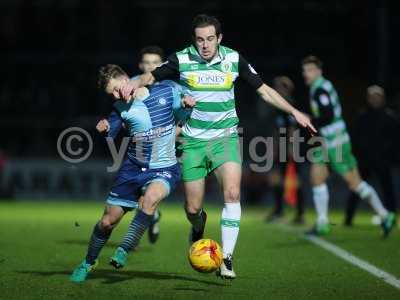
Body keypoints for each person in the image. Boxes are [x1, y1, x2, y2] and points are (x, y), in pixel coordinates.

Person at [119, 14, 316, 279]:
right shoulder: (182, 59)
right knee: (192, 209)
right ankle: (198, 227)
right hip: (193, 142)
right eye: (200, 40)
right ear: (194, 41)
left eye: (210, 39)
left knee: (233, 193)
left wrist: (294, 111)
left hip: (226, 139)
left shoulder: (233, 59)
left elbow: (264, 89)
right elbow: (151, 77)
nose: (205, 45)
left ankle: (227, 258)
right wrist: (130, 83)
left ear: (219, 39)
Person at [70, 64, 194, 282]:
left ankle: (124, 250)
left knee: (151, 199)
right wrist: (105, 127)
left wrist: (187, 106)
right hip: (132, 170)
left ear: (128, 79)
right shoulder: (120, 107)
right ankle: (89, 262)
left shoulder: (166, 90)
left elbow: (183, 113)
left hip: (164, 167)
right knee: (108, 222)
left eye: (118, 89)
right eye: (112, 94)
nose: (117, 95)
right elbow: (111, 129)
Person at [301, 56, 396, 237]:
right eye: (305, 70)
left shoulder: (320, 89)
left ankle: (385, 216)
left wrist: (310, 120)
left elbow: (327, 115)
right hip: (328, 141)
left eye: (310, 70)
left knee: (355, 184)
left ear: (319, 71)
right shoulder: (320, 86)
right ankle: (322, 223)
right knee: (316, 178)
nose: (306, 73)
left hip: (336, 142)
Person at [345, 85, 399, 225]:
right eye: (372, 97)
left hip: (382, 160)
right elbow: (355, 138)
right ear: (368, 99)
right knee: (356, 187)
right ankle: (348, 218)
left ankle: (391, 216)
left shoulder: (390, 117)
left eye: (378, 97)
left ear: (383, 99)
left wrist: (390, 157)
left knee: (388, 190)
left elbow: (395, 140)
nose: (375, 99)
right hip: (364, 160)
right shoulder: (362, 116)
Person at [266, 76, 307, 224]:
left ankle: (299, 213)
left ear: (286, 89)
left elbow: (292, 128)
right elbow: (278, 129)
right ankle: (279, 210)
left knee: (295, 180)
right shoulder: (278, 106)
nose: (276, 90)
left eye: (279, 87)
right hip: (282, 147)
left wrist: (290, 148)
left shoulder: (290, 106)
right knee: (277, 179)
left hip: (292, 147)